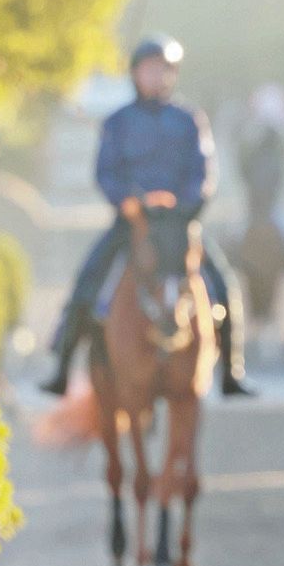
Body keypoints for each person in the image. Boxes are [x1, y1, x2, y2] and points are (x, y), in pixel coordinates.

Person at [40, 35, 256, 397]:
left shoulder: (189, 120)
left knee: (222, 283)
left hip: (179, 227)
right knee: (88, 280)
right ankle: (62, 366)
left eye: (163, 69)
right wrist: (127, 201)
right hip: (132, 224)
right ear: (136, 73)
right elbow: (106, 172)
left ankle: (232, 371)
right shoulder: (118, 122)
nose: (156, 76)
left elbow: (203, 174)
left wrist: (182, 205)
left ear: (172, 74)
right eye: (149, 69)